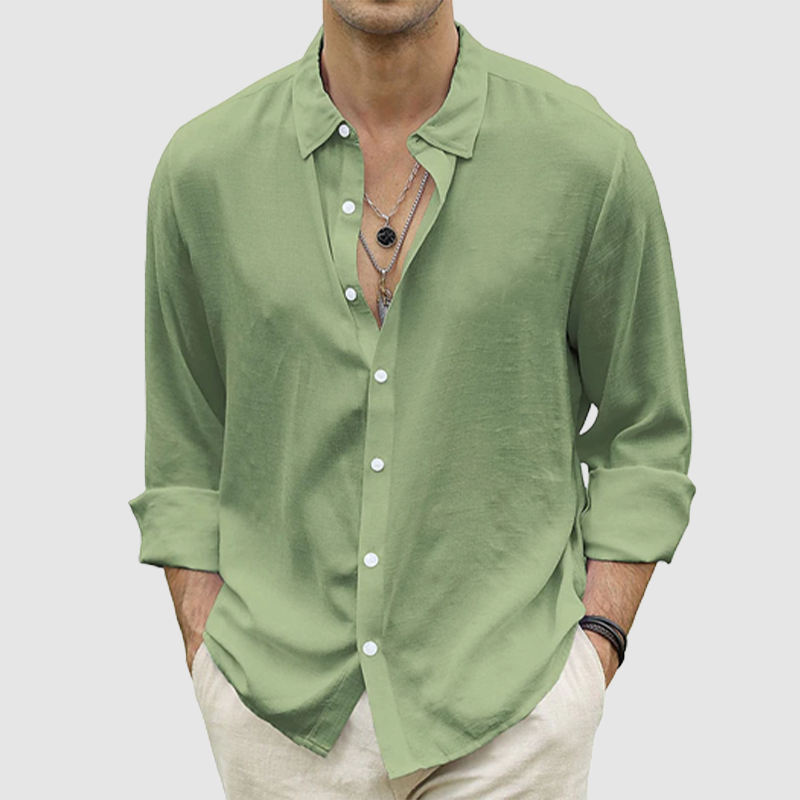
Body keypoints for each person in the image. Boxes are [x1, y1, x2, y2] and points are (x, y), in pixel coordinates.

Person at [128, 1, 696, 797]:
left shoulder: (585, 159)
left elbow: (646, 432)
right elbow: (185, 444)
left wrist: (594, 651)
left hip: (513, 716)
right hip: (276, 715)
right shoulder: (205, 171)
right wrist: (208, 654)